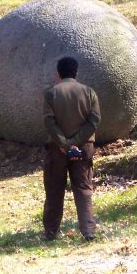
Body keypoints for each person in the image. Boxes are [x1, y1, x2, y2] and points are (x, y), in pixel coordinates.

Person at [42, 57, 101, 241]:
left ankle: (51, 232)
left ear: (58, 73)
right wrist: (76, 142)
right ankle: (88, 231)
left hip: (56, 150)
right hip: (84, 148)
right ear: (76, 73)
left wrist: (64, 144)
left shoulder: (51, 93)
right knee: (83, 188)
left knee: (54, 189)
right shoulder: (89, 92)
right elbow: (94, 121)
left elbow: (49, 121)